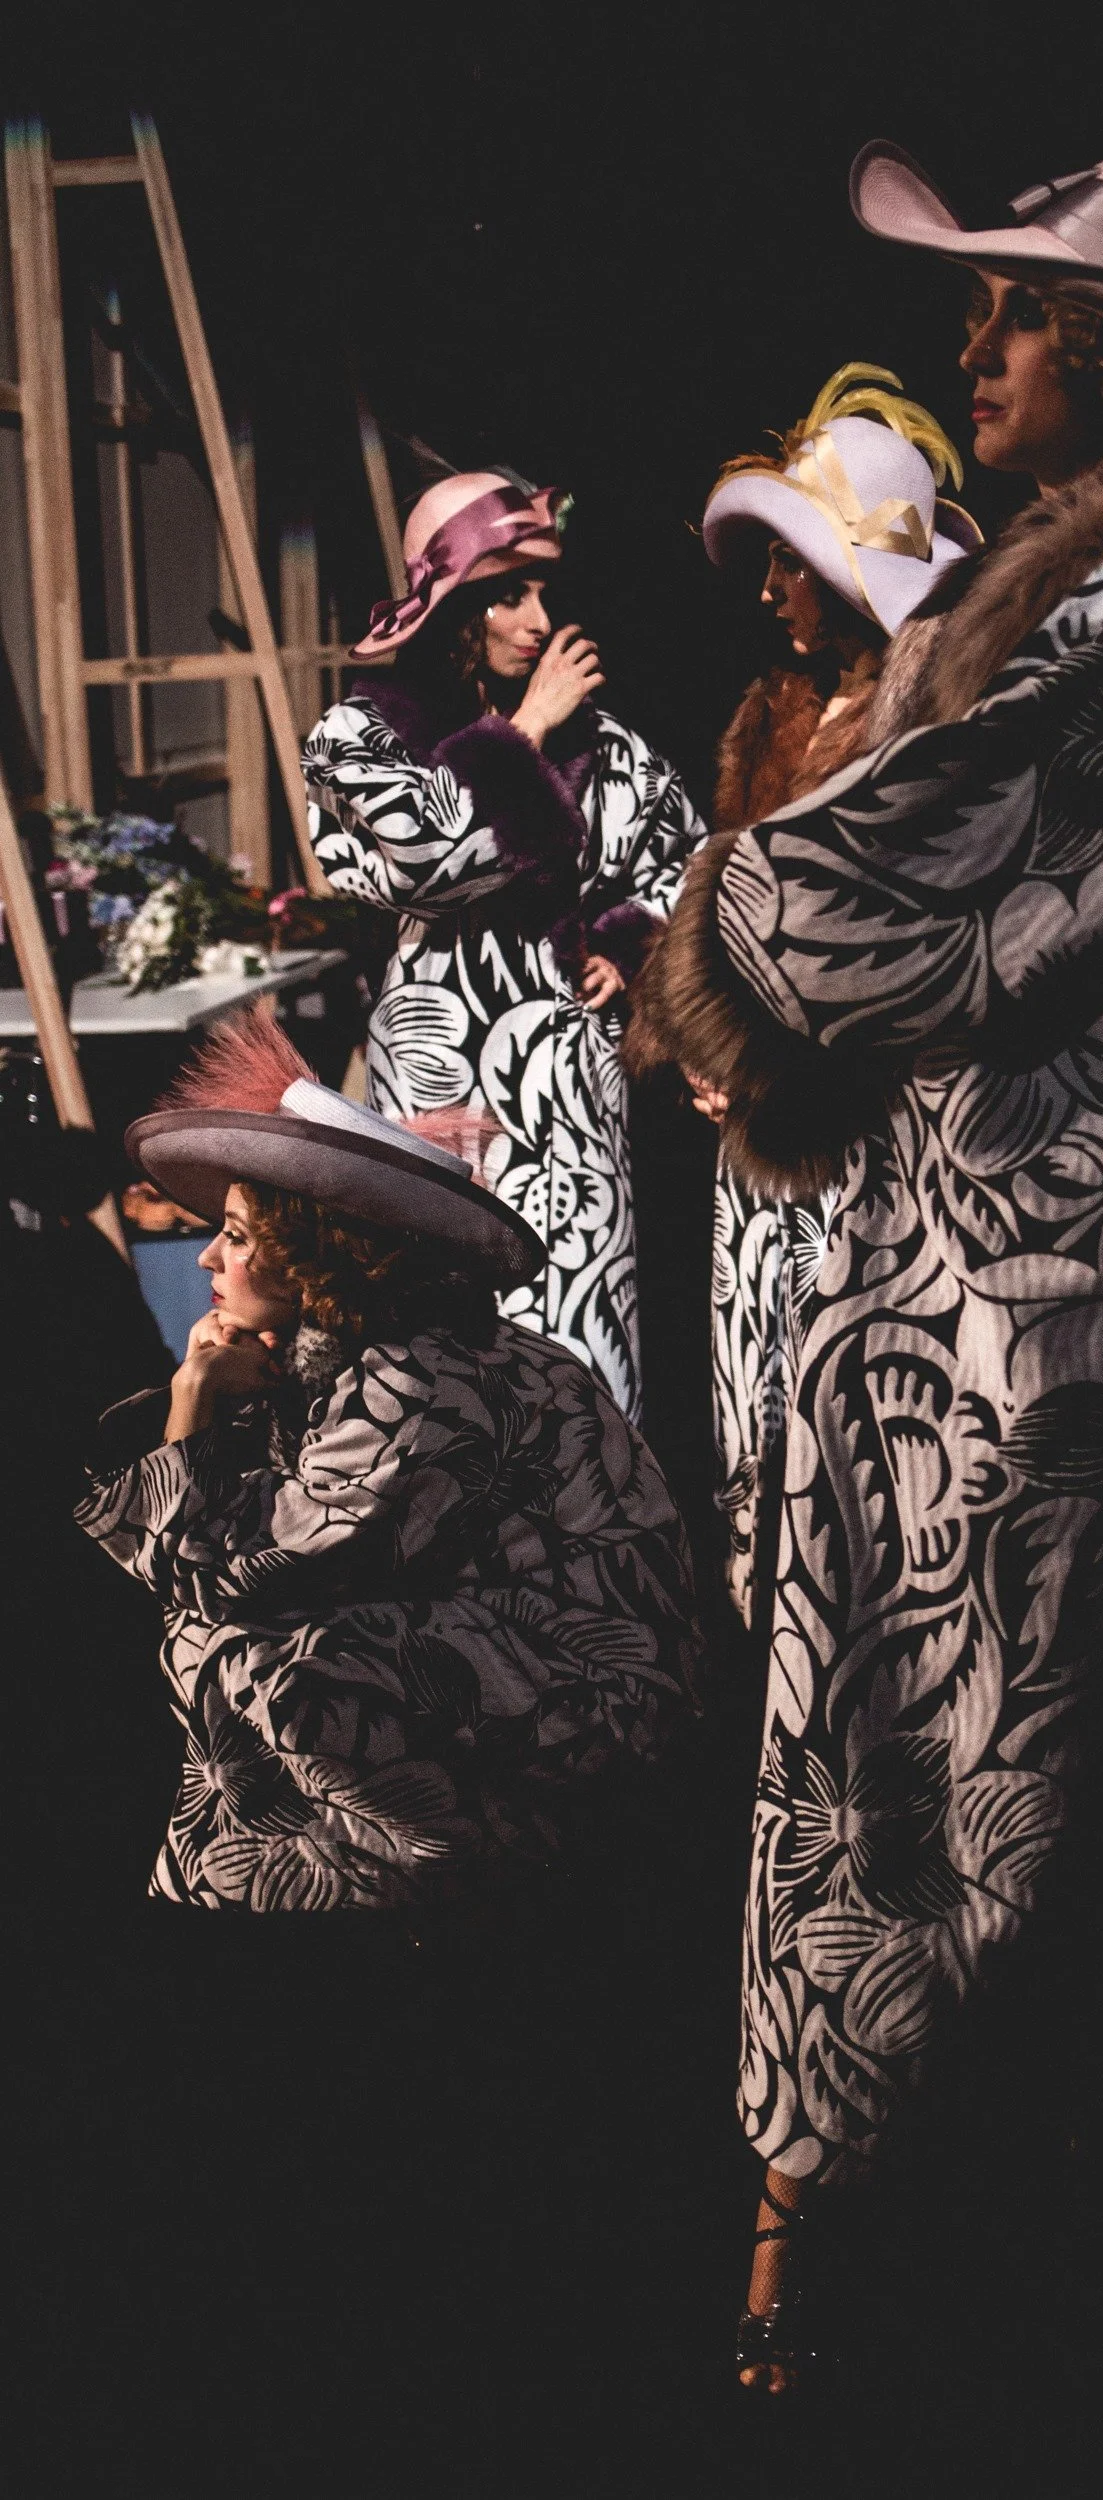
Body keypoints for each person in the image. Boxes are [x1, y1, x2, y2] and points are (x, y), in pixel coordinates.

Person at [642, 140, 1103, 2387]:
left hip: (1002, 1337)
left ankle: (871, 2272)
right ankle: (915, 2250)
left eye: (1014, 311)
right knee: (965, 1806)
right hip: (1009, 1309)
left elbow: (839, 907)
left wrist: (707, 928)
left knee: (925, 1805)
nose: (974, 345)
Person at [74, 1004, 702, 1911]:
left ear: (317, 1255)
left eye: (242, 1236)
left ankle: (373, 1902)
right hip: (523, 1657)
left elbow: (235, 1571)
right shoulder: (393, 1349)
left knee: (245, 1648)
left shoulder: (418, 1378)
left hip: (588, 1698)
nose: (208, 1253)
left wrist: (193, 1398)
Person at [629, 364, 980, 1633]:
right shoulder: (769, 709)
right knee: (750, 1407)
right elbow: (713, 914)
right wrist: (693, 1041)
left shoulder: (935, 712)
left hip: (859, 1141)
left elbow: (909, 950)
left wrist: (773, 1059)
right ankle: (763, 1661)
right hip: (753, 1150)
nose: (769, 590)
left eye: (790, 560)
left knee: (855, 1423)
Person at [303, 469, 705, 1424]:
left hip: (569, 1091)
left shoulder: (603, 742)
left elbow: (690, 856)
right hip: (441, 1077)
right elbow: (428, 862)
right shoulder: (360, 737)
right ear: (453, 609)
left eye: (543, 593)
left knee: (581, 1348)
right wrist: (520, 736)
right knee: (443, 1356)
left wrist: (632, 935)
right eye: (507, 594)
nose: (537, 619)